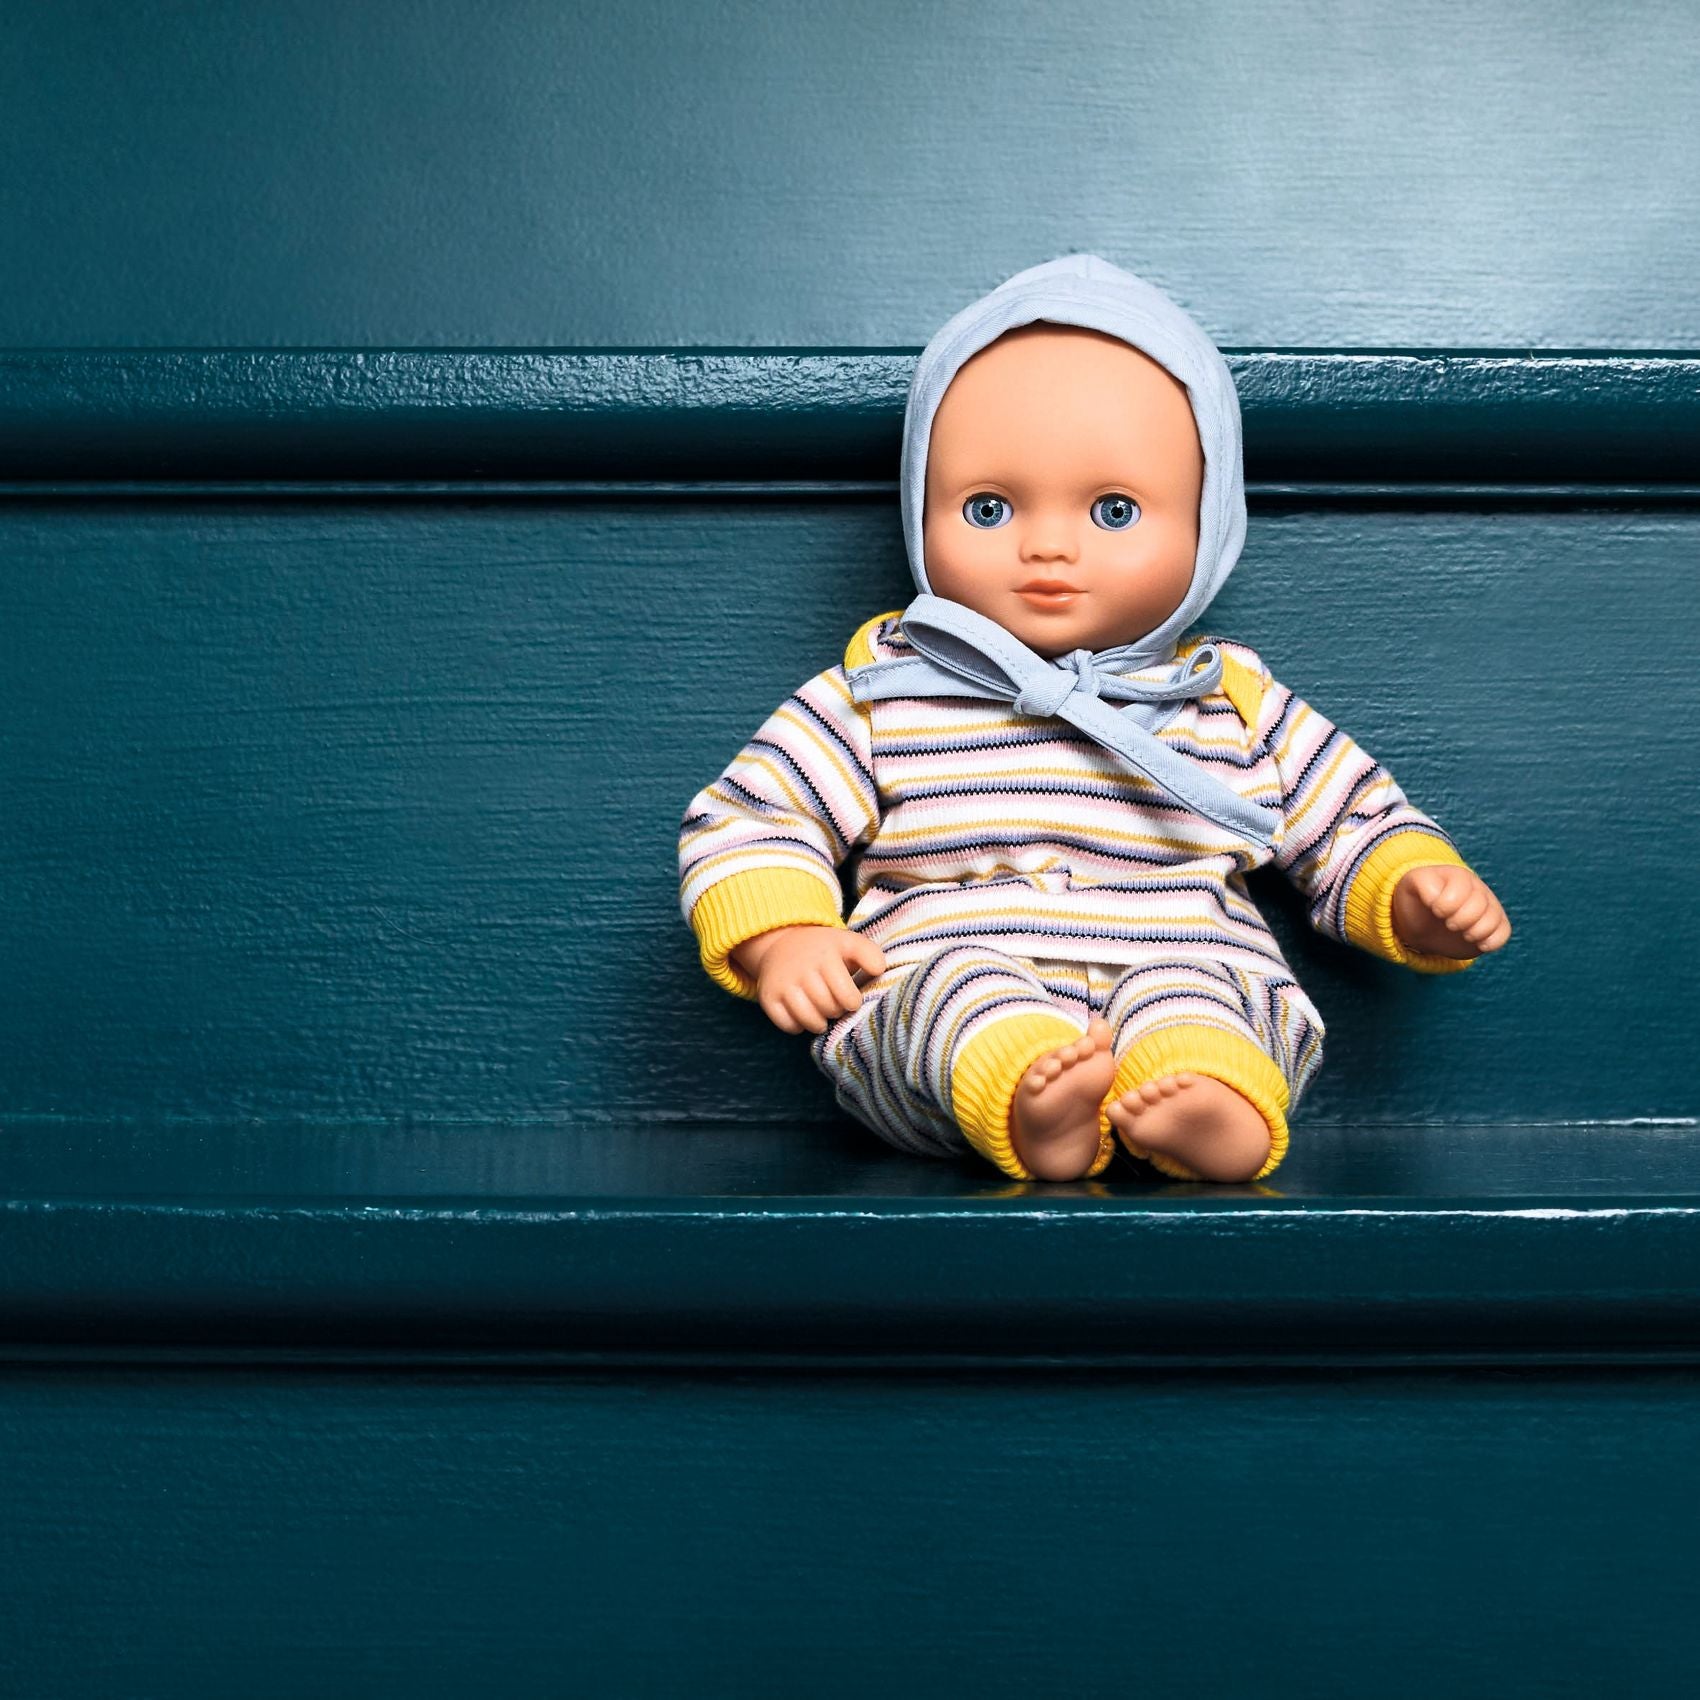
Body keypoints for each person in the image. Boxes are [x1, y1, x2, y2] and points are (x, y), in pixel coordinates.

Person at [677, 255, 1511, 1184]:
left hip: (1184, 952)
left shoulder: (1224, 695)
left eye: (1113, 511)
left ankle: (1210, 1099)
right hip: (949, 968)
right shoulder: (883, 686)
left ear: (1208, 523)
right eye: (988, 507)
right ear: (920, 509)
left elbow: (1347, 816)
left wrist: (1413, 885)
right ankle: (1029, 1094)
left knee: (1207, 997)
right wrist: (780, 932)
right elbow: (754, 814)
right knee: (951, 995)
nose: (1047, 545)